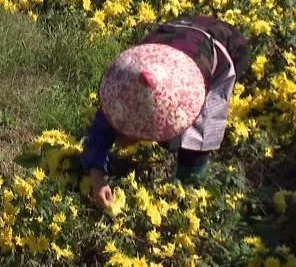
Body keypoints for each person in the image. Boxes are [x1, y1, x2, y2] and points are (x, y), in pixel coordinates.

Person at [82, 15, 249, 210]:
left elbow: (187, 124)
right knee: (115, 122)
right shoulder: (123, 83)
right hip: (176, 33)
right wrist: (97, 176)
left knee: (199, 134)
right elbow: (102, 127)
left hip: (226, 44)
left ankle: (188, 189)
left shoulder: (189, 88)